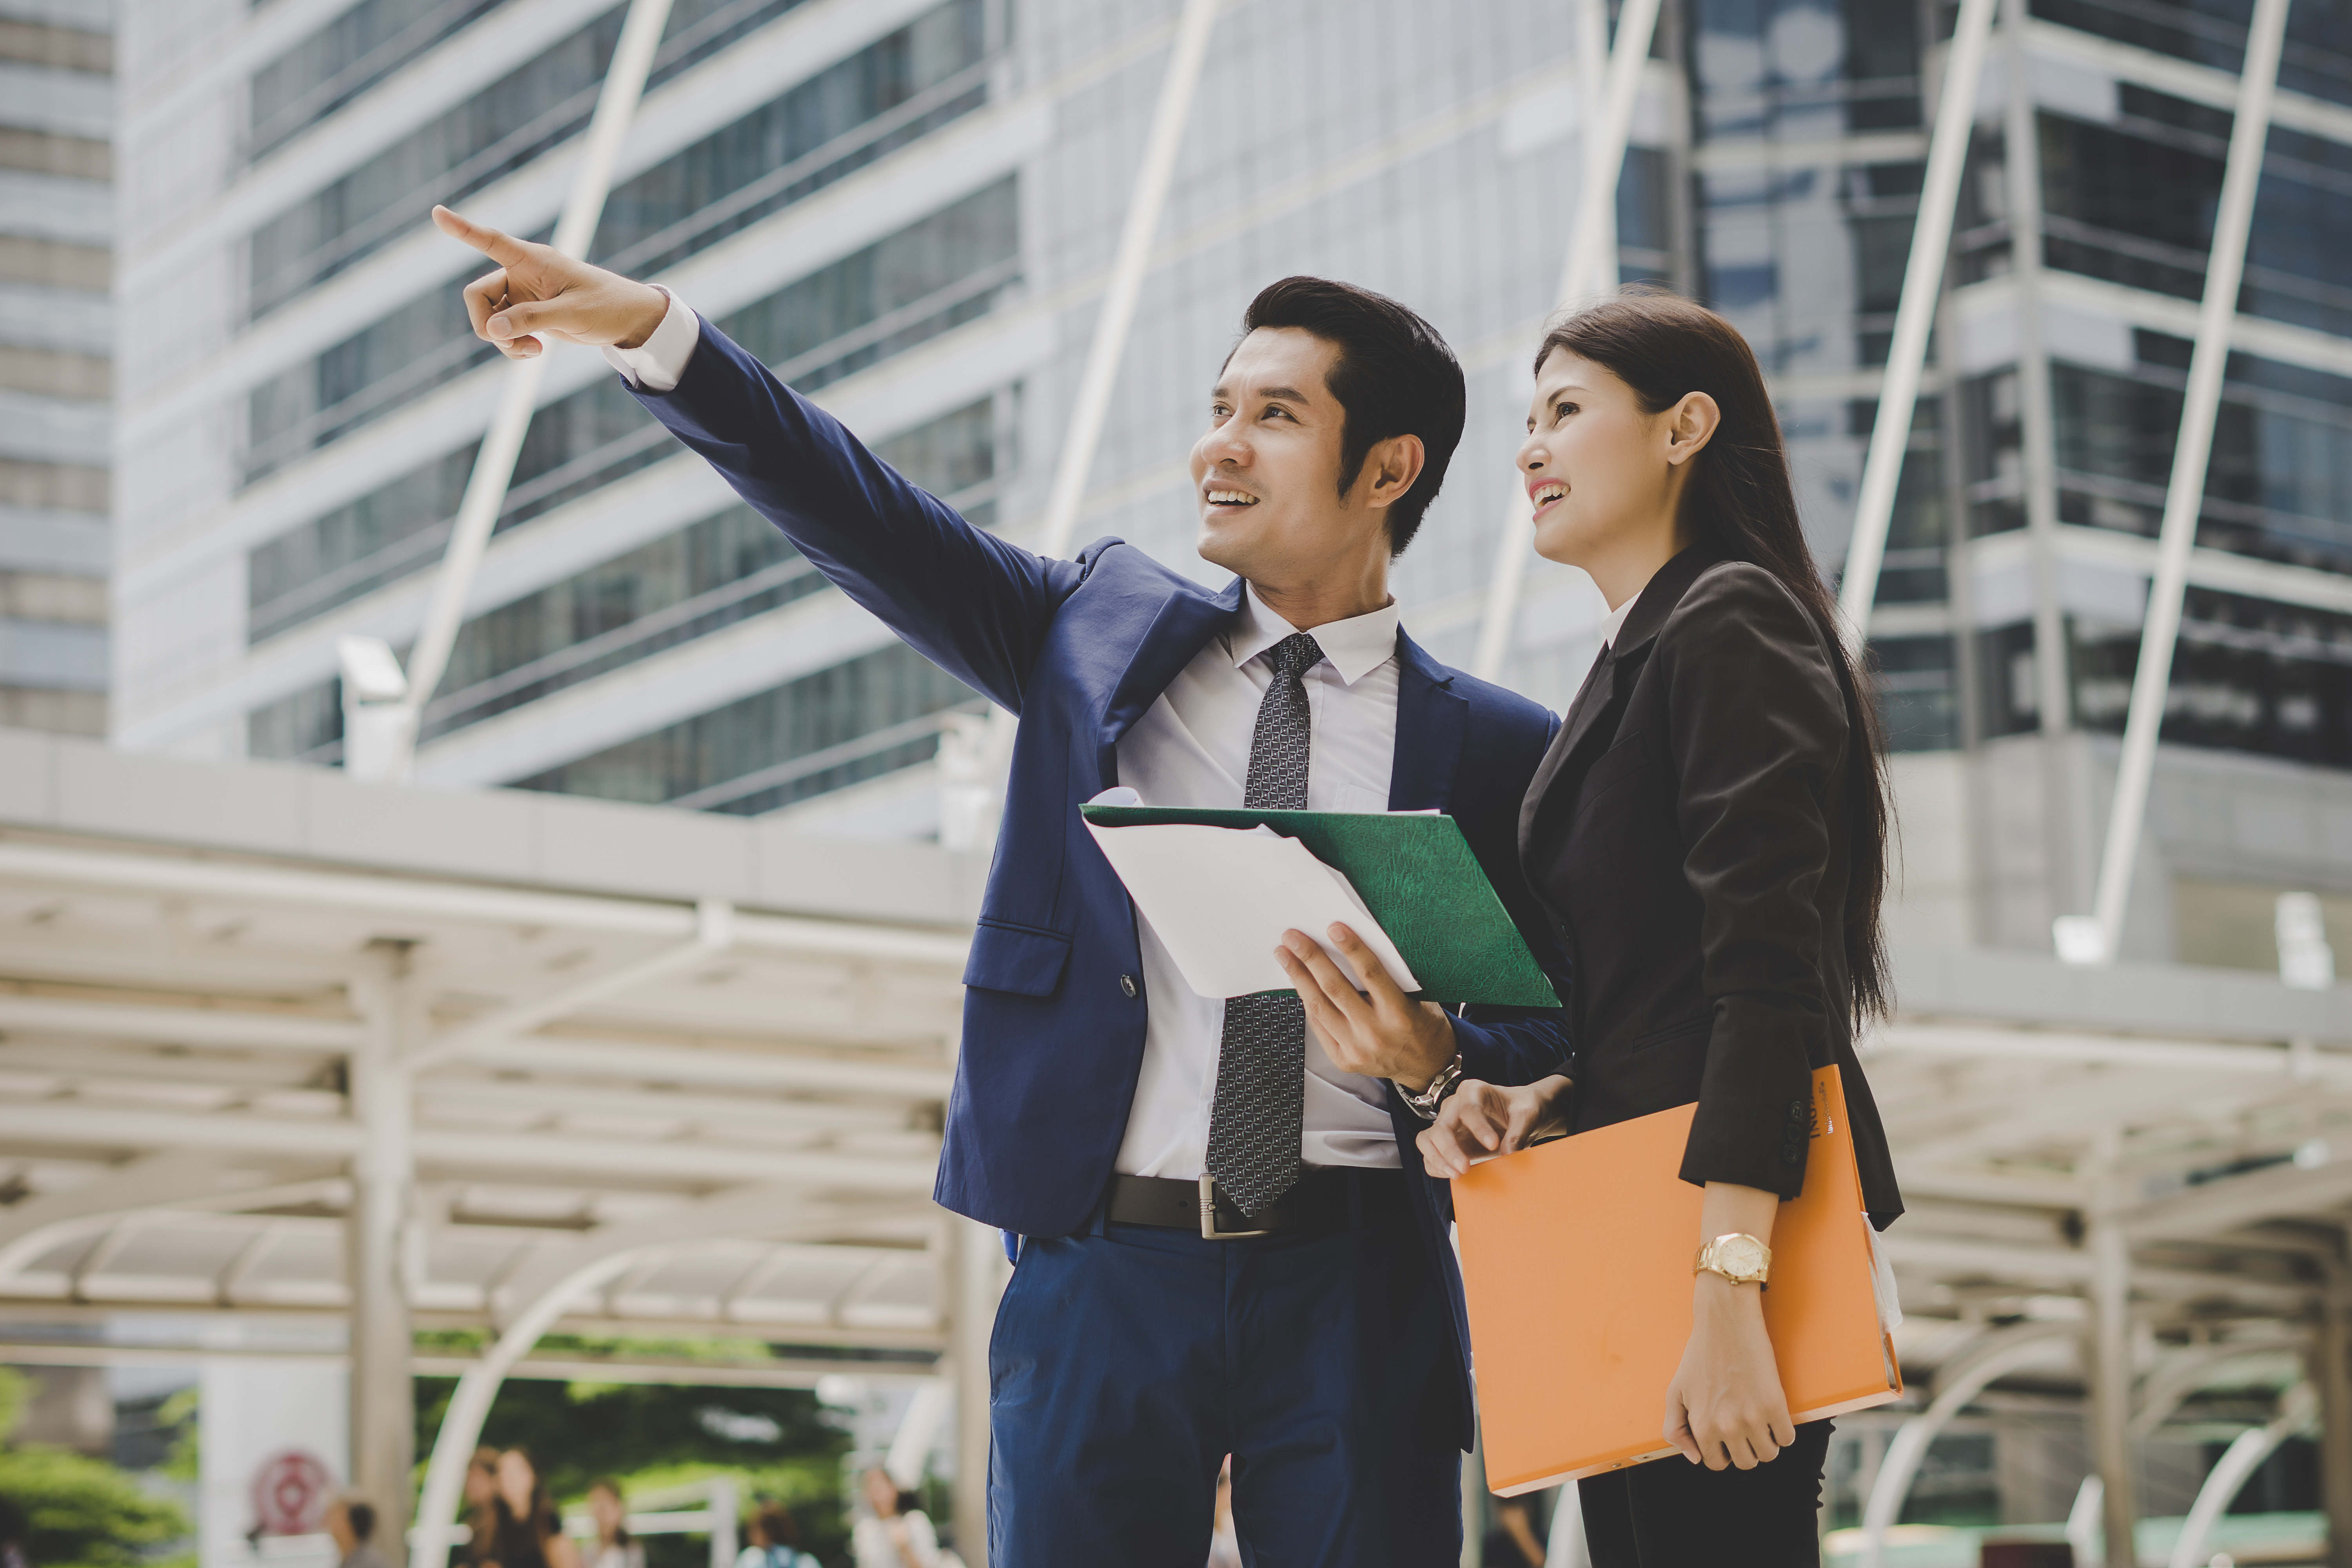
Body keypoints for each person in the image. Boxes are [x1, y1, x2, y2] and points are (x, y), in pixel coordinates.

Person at [428, 205, 1574, 1565]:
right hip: (1108, 1268)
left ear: (1390, 467)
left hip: (1359, 1273)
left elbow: (1558, 1031)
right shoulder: (1091, 636)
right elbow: (859, 511)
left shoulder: (1500, 748)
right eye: (1219, 406)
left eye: (1273, 415)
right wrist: (649, 331)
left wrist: (1437, 1050)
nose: (1218, 443)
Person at [1417, 288, 1906, 1567]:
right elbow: (1664, 993)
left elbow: (1770, 984)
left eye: (1565, 412)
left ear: (1685, 427)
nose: (1529, 447)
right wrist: (1552, 1095)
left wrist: (1732, 1285)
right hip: (1634, 1230)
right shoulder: (1644, 651)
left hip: (1718, 1247)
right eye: (1526, 420)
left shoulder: (1728, 621)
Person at [486, 1448, 580, 1568]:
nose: (506, 1478)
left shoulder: (549, 1523)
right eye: (501, 1472)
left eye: (514, 1472)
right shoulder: (496, 1525)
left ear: (533, 1476)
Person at [850, 1470, 938, 1568]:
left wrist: (905, 1548)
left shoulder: (916, 1521)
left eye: (880, 1486)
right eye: (870, 1486)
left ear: (894, 1488)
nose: (876, 1492)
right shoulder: (865, 1531)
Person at [734, 1500, 817, 1568]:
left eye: (754, 1530)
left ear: (766, 1533)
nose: (750, 1535)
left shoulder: (753, 1557)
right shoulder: (806, 1561)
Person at [583, 1480, 644, 1568]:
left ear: (619, 1509)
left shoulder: (630, 1551)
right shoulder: (589, 1551)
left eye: (603, 1508)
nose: (599, 1516)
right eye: (594, 1507)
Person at [326, 1498, 390, 1568]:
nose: (332, 1525)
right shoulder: (349, 1560)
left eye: (337, 1520)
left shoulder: (368, 1563)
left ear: (352, 1526)